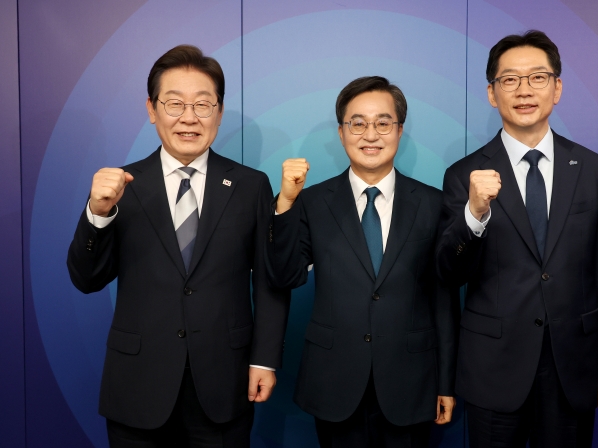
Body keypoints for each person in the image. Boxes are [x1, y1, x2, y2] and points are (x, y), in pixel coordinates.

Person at [67, 45, 290, 447]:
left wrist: (264, 359)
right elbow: (87, 279)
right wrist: (97, 214)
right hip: (137, 385)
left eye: (202, 104)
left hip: (224, 382)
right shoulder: (120, 187)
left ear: (218, 112)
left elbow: (269, 280)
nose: (189, 117)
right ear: (152, 109)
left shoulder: (250, 185)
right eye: (174, 104)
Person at [436, 30, 598, 447]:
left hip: (573, 364)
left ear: (557, 88)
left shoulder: (592, 169)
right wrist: (474, 212)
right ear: (492, 93)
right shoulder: (463, 174)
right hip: (494, 366)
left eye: (538, 77)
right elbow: (449, 273)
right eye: (509, 80)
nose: (524, 90)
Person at [265, 76, 460, 448]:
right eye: (358, 123)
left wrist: (446, 383)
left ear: (399, 130)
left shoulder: (433, 204)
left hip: (412, 382)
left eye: (383, 123)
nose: (371, 134)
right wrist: (285, 204)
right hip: (334, 382)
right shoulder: (312, 202)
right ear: (341, 133)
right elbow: (284, 275)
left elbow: (444, 300)